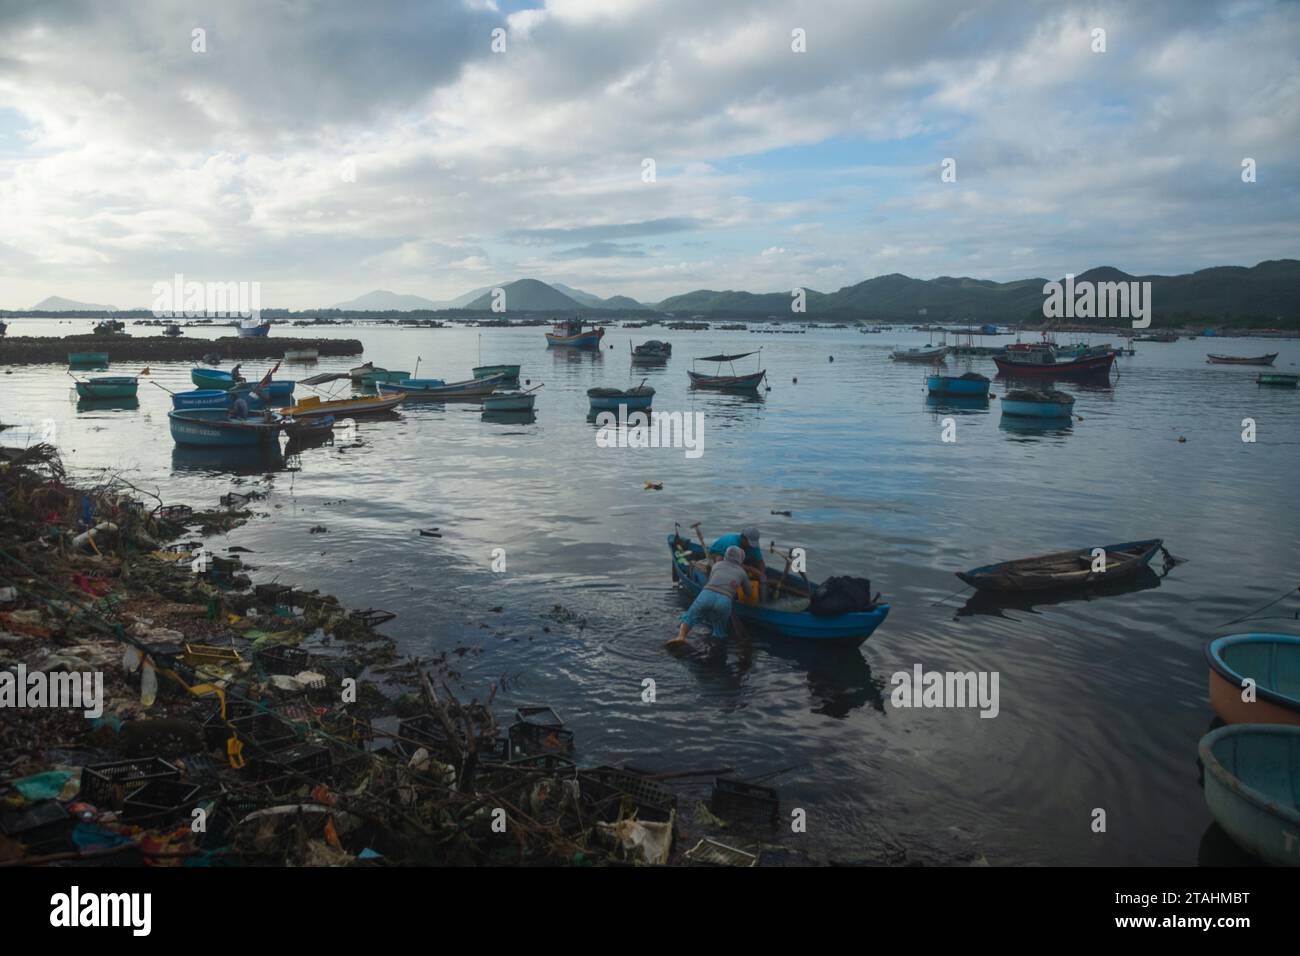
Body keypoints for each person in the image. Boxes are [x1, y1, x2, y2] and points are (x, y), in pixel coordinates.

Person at [669, 546, 749, 645]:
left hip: (707, 594)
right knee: (720, 632)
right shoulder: (742, 572)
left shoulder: (717, 565)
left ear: (726, 556)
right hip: (724, 600)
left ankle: (680, 637)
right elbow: (748, 592)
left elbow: (711, 580)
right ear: (740, 559)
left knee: (689, 618)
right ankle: (716, 650)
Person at [707, 526, 767, 601]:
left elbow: (760, 562)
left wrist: (761, 575)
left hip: (740, 560)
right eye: (749, 542)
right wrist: (751, 569)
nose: (751, 546)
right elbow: (730, 563)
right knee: (721, 563)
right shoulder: (732, 543)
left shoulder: (754, 546)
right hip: (720, 557)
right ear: (743, 537)